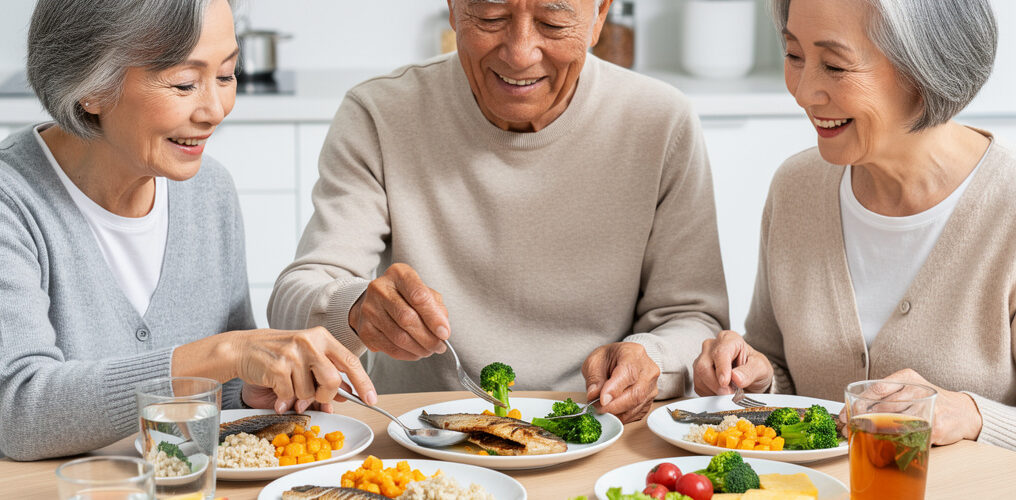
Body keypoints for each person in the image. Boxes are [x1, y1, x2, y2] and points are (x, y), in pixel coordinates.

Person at [269, 0, 728, 423]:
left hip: (600, 430)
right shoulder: (380, 113)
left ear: (599, 15)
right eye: (490, 16)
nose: (520, 53)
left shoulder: (660, 120)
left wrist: (651, 357)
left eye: (552, 22)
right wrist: (354, 309)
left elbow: (694, 319)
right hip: (423, 440)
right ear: (452, 8)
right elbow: (295, 294)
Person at [0, 0, 375, 461]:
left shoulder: (209, 191)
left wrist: (250, 392)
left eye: (228, 75)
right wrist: (228, 352)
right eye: (184, 83)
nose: (215, 110)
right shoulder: (6, 199)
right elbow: (19, 414)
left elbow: (224, 381)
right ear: (89, 87)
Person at [692, 0, 1015, 451]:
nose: (804, 93)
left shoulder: (1008, 210)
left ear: (926, 70)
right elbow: (782, 368)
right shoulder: (796, 187)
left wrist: (974, 416)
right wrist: (756, 378)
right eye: (794, 55)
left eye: (835, 66)